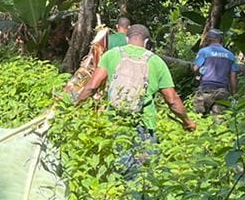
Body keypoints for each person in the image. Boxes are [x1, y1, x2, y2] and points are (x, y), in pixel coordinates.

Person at [74, 24, 195, 176]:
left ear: (126, 39)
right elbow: (172, 100)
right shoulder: (156, 62)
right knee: (143, 176)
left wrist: (75, 108)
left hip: (116, 122)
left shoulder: (111, 55)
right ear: (146, 42)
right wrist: (187, 121)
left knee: (119, 171)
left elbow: (92, 86)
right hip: (144, 125)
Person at [192, 28, 238, 115]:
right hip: (222, 91)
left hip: (205, 89)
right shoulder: (230, 55)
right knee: (219, 121)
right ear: (221, 39)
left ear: (208, 39)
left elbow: (195, 69)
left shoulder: (204, 52)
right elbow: (233, 77)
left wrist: (199, 76)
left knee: (199, 117)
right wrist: (233, 94)